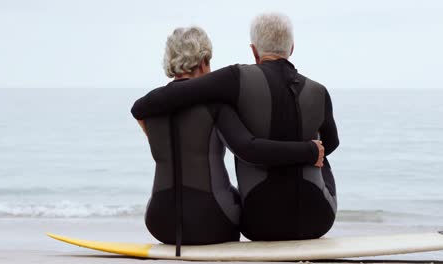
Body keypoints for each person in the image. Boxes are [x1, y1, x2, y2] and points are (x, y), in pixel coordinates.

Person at [132, 13, 339, 241]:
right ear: (292, 47)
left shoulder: (234, 79)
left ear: (254, 50)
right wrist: (310, 151)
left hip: (172, 221)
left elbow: (164, 100)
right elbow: (329, 144)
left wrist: (141, 108)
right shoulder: (319, 91)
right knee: (321, 150)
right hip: (312, 219)